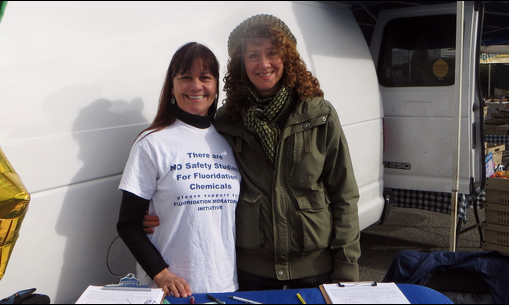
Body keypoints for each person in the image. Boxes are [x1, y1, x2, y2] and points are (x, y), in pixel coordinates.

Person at [144, 14, 361, 290]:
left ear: (288, 57)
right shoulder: (226, 120)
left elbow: (344, 195)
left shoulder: (319, 114)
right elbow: (193, 172)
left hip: (316, 271)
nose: (264, 63)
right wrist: (153, 211)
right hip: (251, 274)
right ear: (241, 63)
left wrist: (347, 266)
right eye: (253, 55)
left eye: (272, 53)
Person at [117, 42, 241, 298]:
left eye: (205, 77)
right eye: (186, 77)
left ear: (216, 86)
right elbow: (128, 224)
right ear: (171, 86)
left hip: (226, 288)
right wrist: (161, 274)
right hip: (171, 293)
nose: (196, 86)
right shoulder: (152, 143)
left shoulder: (231, 139)